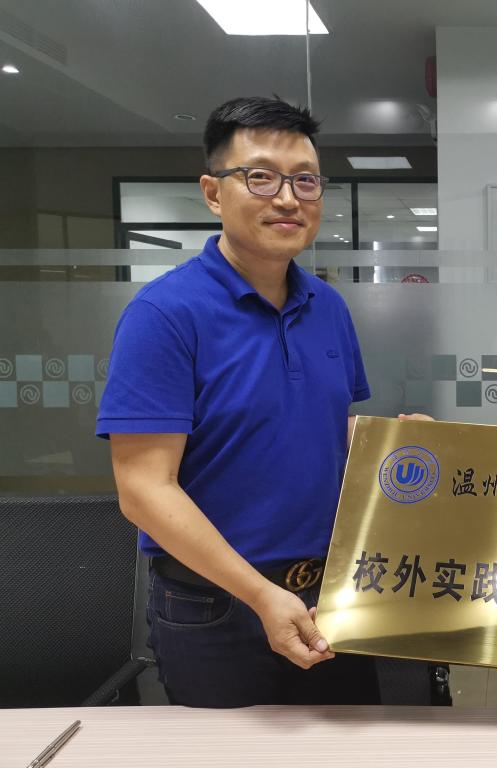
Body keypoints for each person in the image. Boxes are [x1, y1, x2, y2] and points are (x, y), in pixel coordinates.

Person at [97, 96, 379, 707]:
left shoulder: (327, 306)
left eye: (305, 180)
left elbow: (329, 431)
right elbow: (143, 489)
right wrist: (259, 594)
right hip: (215, 604)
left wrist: (405, 448)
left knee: (348, 746)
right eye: (261, 177)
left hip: (331, 592)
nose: (288, 198)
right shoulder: (164, 314)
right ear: (212, 193)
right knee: (231, 750)